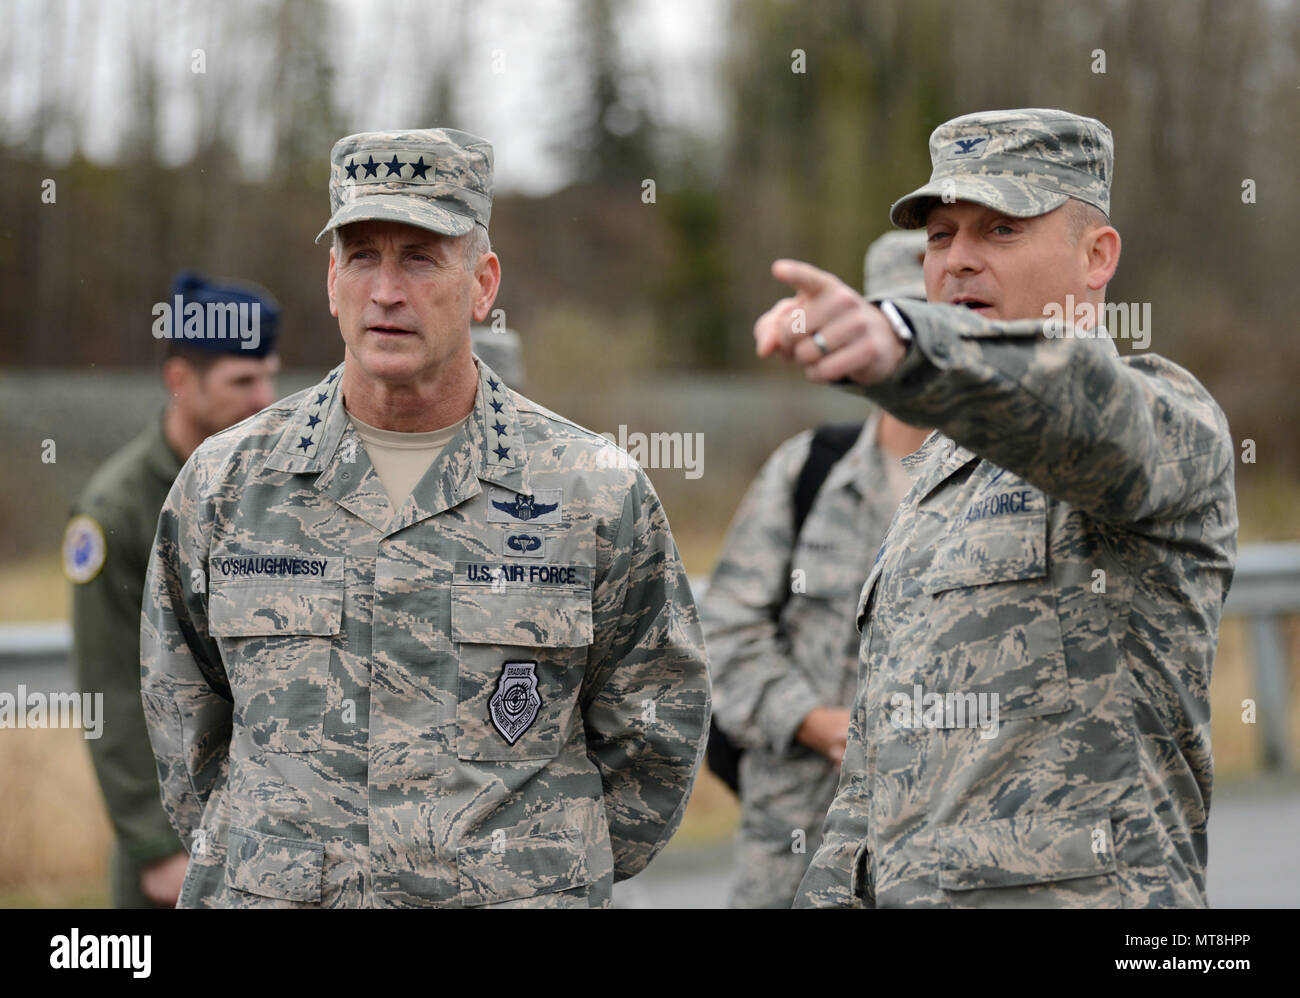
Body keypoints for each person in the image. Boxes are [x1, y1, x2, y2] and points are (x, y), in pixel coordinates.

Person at [140, 127, 710, 909]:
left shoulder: (592, 492)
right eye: (363, 255)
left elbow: (656, 735)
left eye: (419, 256)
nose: (386, 290)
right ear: (332, 278)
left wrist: (527, 876)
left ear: (482, 283)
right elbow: (186, 731)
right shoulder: (227, 486)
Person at [751, 108, 1237, 908]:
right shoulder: (940, 469)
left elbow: (1078, 403)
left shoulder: (1163, 422)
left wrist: (912, 348)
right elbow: (876, 785)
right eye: (941, 236)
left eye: (1001, 229)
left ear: (1096, 254)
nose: (958, 262)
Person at [701, 230, 930, 908]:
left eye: (934, 327)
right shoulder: (810, 472)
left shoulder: (1005, 484)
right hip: (798, 842)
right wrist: (811, 720)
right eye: (898, 324)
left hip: (944, 847)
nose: (913, 352)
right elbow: (724, 634)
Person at [64, 271, 280, 908]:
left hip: (276, 837)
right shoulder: (117, 511)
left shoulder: (276, 486)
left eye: (270, 375)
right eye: (242, 381)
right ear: (180, 381)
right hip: (174, 838)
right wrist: (157, 848)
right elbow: (109, 688)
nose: (264, 397)